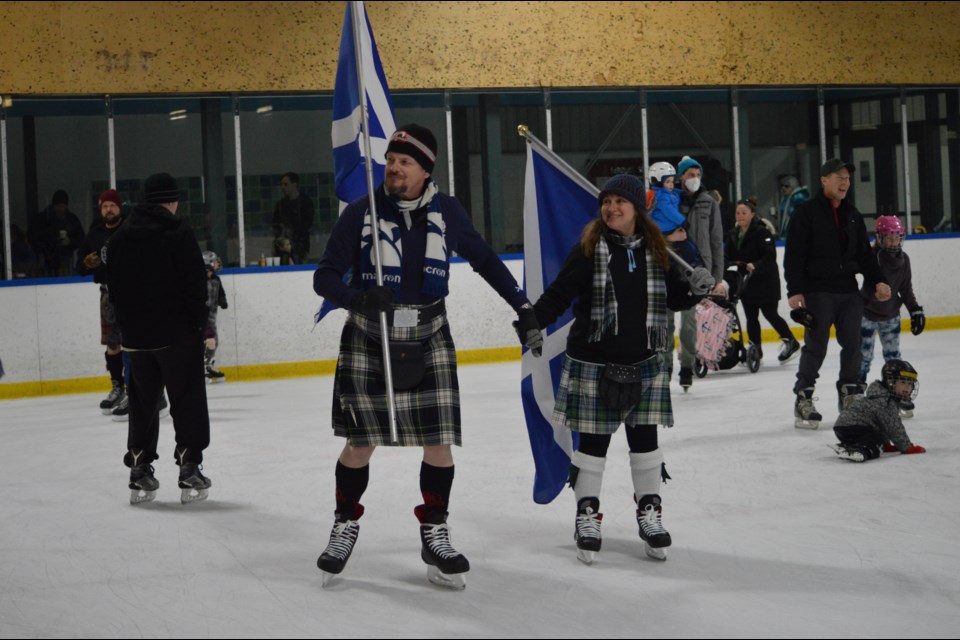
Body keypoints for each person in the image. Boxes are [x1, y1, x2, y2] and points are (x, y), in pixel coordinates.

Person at [312, 124, 543, 588]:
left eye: (405, 162)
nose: (394, 168)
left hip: (429, 333)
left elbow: (485, 260)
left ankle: (434, 530)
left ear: (425, 170)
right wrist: (356, 297)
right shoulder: (361, 213)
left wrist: (523, 306)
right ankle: (344, 523)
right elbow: (324, 277)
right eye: (391, 160)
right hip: (369, 336)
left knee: (438, 443)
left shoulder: (448, 213)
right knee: (360, 443)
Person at [527, 174, 714, 564]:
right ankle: (587, 515)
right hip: (593, 362)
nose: (611, 208)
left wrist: (695, 286)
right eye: (606, 201)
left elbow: (674, 299)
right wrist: (532, 321)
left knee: (645, 444)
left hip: (644, 362)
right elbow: (559, 293)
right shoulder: (588, 249)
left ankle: (650, 514)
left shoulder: (658, 250)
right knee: (593, 447)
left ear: (636, 209)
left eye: (619, 202)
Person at [106, 173, 212, 505]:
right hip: (177, 335)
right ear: (170, 200)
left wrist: (127, 330)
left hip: (137, 340)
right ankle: (189, 465)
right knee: (187, 400)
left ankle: (140, 467)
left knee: (142, 404)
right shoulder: (177, 231)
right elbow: (195, 282)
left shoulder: (122, 236)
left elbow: (115, 288)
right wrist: (198, 325)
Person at [783, 158, 891, 429]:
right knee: (816, 346)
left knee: (853, 346)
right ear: (824, 180)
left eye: (847, 178)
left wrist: (878, 280)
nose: (845, 183)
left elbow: (865, 256)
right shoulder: (806, 213)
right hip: (818, 290)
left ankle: (850, 394)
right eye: (839, 177)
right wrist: (795, 291)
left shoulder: (852, 214)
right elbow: (794, 255)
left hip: (848, 291)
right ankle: (803, 398)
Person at [859, 216, 924, 416]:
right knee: (863, 358)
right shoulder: (873, 257)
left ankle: (897, 396)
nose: (893, 242)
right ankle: (855, 396)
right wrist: (875, 293)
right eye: (889, 238)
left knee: (894, 358)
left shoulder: (904, 260)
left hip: (891, 316)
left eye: (897, 238)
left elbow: (905, 288)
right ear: (879, 238)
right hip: (867, 315)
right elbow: (868, 287)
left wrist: (915, 310)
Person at [724, 196, 800, 364]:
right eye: (738, 213)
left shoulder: (762, 232)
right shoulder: (732, 234)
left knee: (770, 313)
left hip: (766, 282)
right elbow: (727, 256)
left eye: (744, 212)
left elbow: (769, 256)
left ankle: (791, 341)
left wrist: (755, 265)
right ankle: (755, 348)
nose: (740, 216)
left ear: (752, 214)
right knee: (751, 316)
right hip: (746, 283)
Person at [76, 189, 128, 414]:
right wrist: (87, 264)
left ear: (119, 207)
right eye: (105, 206)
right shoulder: (94, 234)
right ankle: (118, 387)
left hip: (132, 293)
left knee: (134, 341)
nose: (109, 209)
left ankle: (139, 388)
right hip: (108, 295)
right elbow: (79, 267)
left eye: (112, 205)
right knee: (113, 344)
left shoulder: (130, 229)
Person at [676, 155, 725, 390]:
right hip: (673, 267)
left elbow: (717, 240)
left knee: (689, 324)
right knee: (663, 322)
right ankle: (663, 366)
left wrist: (717, 276)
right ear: (680, 176)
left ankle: (686, 366)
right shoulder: (670, 199)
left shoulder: (709, 202)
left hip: (698, 270)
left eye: (697, 175)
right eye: (690, 174)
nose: (694, 179)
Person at [832, 359, 925, 462]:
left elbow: (882, 425)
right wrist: (907, 447)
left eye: (910, 383)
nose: (908, 387)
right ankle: (859, 451)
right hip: (855, 427)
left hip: (847, 427)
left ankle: (848, 445)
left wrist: (886, 444)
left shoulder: (883, 397)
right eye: (903, 382)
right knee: (873, 447)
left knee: (876, 436)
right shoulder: (885, 401)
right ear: (890, 382)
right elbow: (893, 427)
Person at [34, 190, 85, 277]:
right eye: (58, 206)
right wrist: (44, 250)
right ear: (53, 206)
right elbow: (35, 238)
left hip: (67, 262)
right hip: (46, 261)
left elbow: (81, 239)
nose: (60, 209)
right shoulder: (43, 219)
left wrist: (70, 242)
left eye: (63, 206)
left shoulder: (72, 220)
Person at [272, 172, 314, 265]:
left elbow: (307, 225)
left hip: (300, 246)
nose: (283, 187)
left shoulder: (305, 202)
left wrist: (294, 242)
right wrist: (281, 240)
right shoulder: (281, 205)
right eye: (281, 185)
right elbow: (275, 225)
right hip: (283, 247)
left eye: (286, 184)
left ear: (294, 184)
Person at [202, 250, 229, 382]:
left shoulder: (216, 279)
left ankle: (209, 366)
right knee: (207, 342)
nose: (219, 263)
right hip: (201, 316)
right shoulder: (199, 280)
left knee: (214, 342)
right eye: (216, 261)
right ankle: (201, 367)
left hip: (212, 317)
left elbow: (220, 293)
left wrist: (222, 300)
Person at [776, 175, 810, 240]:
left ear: (793, 186)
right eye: (782, 186)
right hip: (787, 235)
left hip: (796, 235)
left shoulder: (798, 197)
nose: (783, 188)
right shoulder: (785, 199)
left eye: (786, 186)